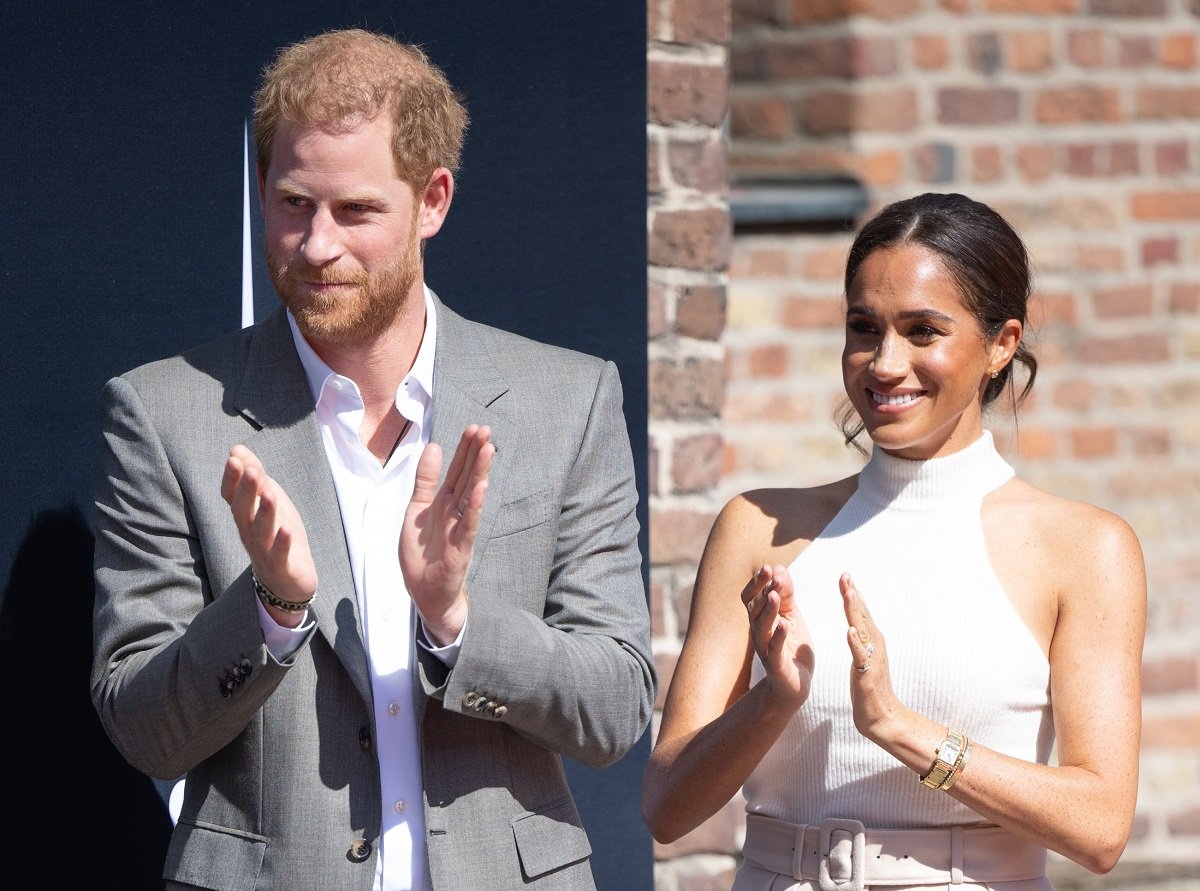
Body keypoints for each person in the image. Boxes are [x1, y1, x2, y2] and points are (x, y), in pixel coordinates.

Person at [91, 28, 654, 891]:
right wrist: (271, 607)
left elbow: (615, 708)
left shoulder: (566, 401)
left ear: (432, 201)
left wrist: (458, 618)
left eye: (355, 211)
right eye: (291, 204)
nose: (316, 245)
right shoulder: (165, 412)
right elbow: (143, 728)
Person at [642, 192, 1146, 890]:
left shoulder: (1085, 548)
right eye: (863, 327)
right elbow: (666, 807)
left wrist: (902, 729)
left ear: (1001, 344)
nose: (883, 363)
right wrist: (772, 701)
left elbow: (1100, 826)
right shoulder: (758, 527)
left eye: (922, 331)